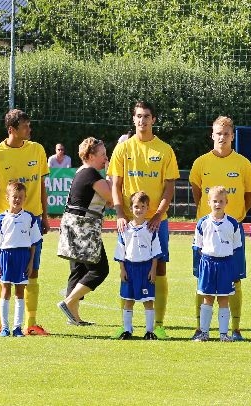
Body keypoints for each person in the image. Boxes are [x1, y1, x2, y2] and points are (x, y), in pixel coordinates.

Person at [108, 101, 179, 339]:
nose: (142, 120)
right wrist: (119, 214)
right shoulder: (123, 149)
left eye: (146, 116)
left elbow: (170, 187)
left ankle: (157, 324)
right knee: (126, 268)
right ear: (133, 119)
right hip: (128, 221)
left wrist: (158, 214)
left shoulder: (165, 150)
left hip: (157, 221)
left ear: (154, 119)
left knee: (159, 268)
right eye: (138, 116)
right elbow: (115, 185)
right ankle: (125, 325)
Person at [0, 109, 50, 336]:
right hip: (5, 225)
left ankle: (30, 324)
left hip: (33, 221)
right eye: (25, 126)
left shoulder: (37, 150)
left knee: (33, 271)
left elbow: (41, 186)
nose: (29, 129)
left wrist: (45, 216)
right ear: (12, 130)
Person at [189, 116, 251, 341]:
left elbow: (250, 194)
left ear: (232, 136)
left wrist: (238, 215)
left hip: (231, 229)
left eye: (226, 133)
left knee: (235, 280)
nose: (222, 137)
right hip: (207, 230)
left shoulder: (243, 163)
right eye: (218, 133)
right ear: (212, 135)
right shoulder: (201, 163)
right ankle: (201, 328)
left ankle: (235, 329)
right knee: (202, 281)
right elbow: (197, 193)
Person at [56, 138, 112, 326]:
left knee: (78, 269)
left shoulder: (81, 172)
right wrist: (111, 176)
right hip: (84, 227)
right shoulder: (91, 174)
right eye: (102, 154)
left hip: (72, 225)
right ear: (90, 156)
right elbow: (111, 199)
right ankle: (69, 301)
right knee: (100, 270)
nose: (106, 158)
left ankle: (74, 317)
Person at [192, 186, 243, 342]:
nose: (217, 204)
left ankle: (223, 334)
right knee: (207, 298)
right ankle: (204, 333)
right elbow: (198, 246)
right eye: (214, 201)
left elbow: (236, 247)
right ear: (208, 202)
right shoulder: (203, 223)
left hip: (225, 264)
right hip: (208, 262)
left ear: (226, 202)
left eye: (221, 201)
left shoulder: (233, 224)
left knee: (223, 299)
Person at [0, 181, 42, 337]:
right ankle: (5, 328)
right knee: (5, 290)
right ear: (7, 197)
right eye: (14, 197)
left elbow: (34, 242)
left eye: (20, 197)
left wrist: (30, 262)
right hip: (6, 256)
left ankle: (17, 328)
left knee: (20, 292)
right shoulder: (0, 218)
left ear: (25, 198)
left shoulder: (29, 218)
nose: (17, 200)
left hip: (23, 256)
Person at [114, 191, 162, 340]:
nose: (139, 209)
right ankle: (127, 330)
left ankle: (149, 331)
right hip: (129, 268)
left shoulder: (151, 230)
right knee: (128, 301)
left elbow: (155, 252)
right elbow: (121, 251)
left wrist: (153, 270)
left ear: (147, 208)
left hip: (146, 268)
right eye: (136, 206)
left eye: (143, 206)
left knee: (148, 301)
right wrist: (122, 270)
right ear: (130, 208)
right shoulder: (124, 230)